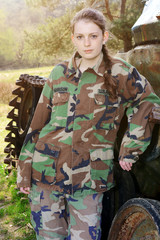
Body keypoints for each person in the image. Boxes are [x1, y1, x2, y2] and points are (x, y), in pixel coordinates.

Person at [17, 7, 160, 240]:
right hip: (45, 173)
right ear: (73, 38)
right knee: (48, 236)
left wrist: (131, 145)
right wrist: (25, 169)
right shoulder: (59, 73)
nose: (87, 44)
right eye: (80, 37)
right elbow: (38, 124)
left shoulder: (120, 72)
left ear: (104, 37)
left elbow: (147, 102)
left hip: (89, 179)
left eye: (93, 36)